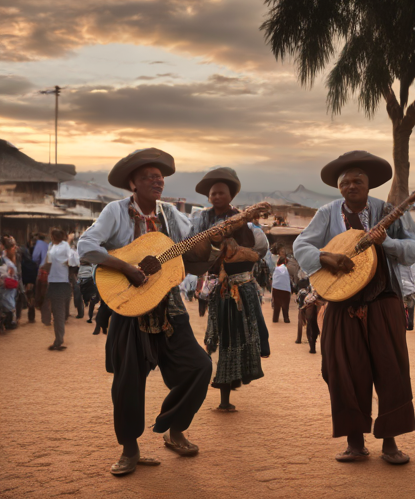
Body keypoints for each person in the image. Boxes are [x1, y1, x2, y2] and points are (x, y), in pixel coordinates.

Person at [77, 148, 213, 476]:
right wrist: (124, 266)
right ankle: (130, 450)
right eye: (149, 176)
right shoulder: (116, 211)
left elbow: (190, 250)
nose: (158, 181)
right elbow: (86, 246)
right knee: (128, 381)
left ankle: (174, 428)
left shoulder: (171, 215)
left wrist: (216, 241)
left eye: (160, 176)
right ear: (132, 183)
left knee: (200, 366)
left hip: (168, 303)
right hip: (129, 305)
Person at [293, 150, 415, 465]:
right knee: (341, 370)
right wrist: (325, 257)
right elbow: (301, 244)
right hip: (341, 303)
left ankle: (390, 443)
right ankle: (355, 442)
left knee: (390, 369)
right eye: (345, 182)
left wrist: (386, 243)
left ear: (369, 184)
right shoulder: (327, 213)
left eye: (358, 180)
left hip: (384, 302)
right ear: (339, 187)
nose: (351, 186)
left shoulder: (390, 211)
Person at [193, 167, 270, 412]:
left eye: (221, 192)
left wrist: (234, 252)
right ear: (208, 197)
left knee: (239, 337)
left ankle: (228, 386)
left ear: (231, 195)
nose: (216, 196)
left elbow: (255, 252)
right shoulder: (201, 220)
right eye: (213, 193)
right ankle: (226, 391)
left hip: (240, 287)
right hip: (220, 291)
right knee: (225, 339)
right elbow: (197, 252)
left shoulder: (243, 220)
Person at [45, 229, 73, 350]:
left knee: (58, 312)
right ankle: (59, 338)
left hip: (58, 283)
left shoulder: (60, 247)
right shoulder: (55, 246)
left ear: (53, 237)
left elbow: (70, 260)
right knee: (58, 311)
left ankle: (58, 340)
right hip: (58, 282)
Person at [272, 257, 292, 323]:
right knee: (285, 304)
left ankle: (275, 319)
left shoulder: (276, 269)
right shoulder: (287, 269)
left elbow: (273, 278)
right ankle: (286, 319)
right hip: (285, 289)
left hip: (276, 288)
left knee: (276, 304)